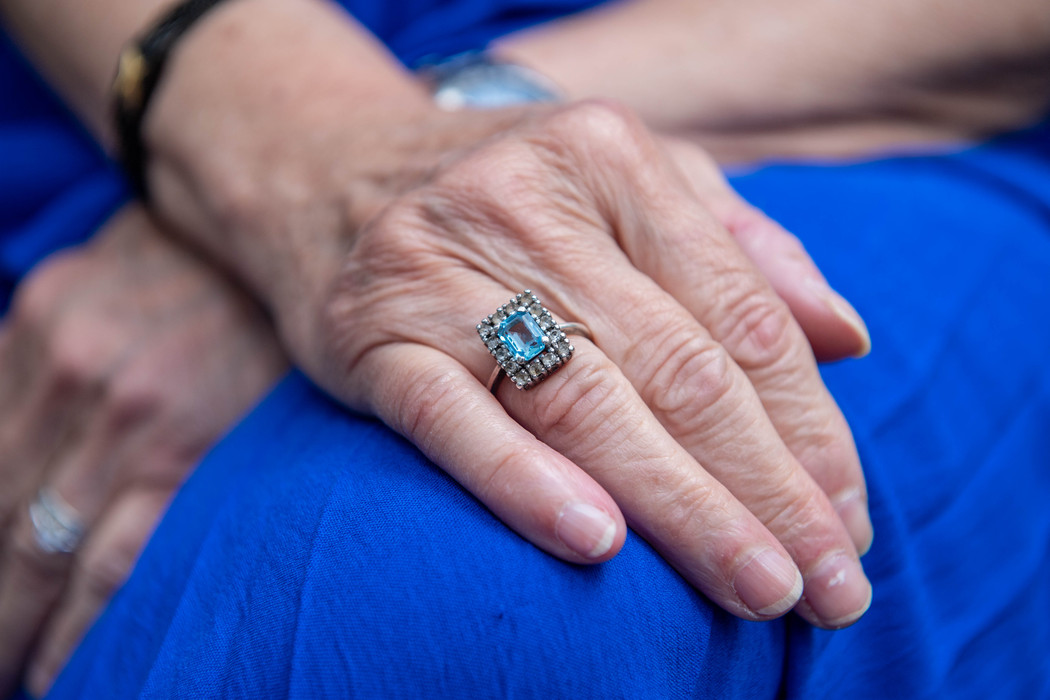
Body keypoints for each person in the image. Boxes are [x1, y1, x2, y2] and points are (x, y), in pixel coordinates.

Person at [0, 0, 1047, 697]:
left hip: (838, 113)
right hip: (115, 122)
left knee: (451, 580)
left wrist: (389, 150)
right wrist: (275, 155)